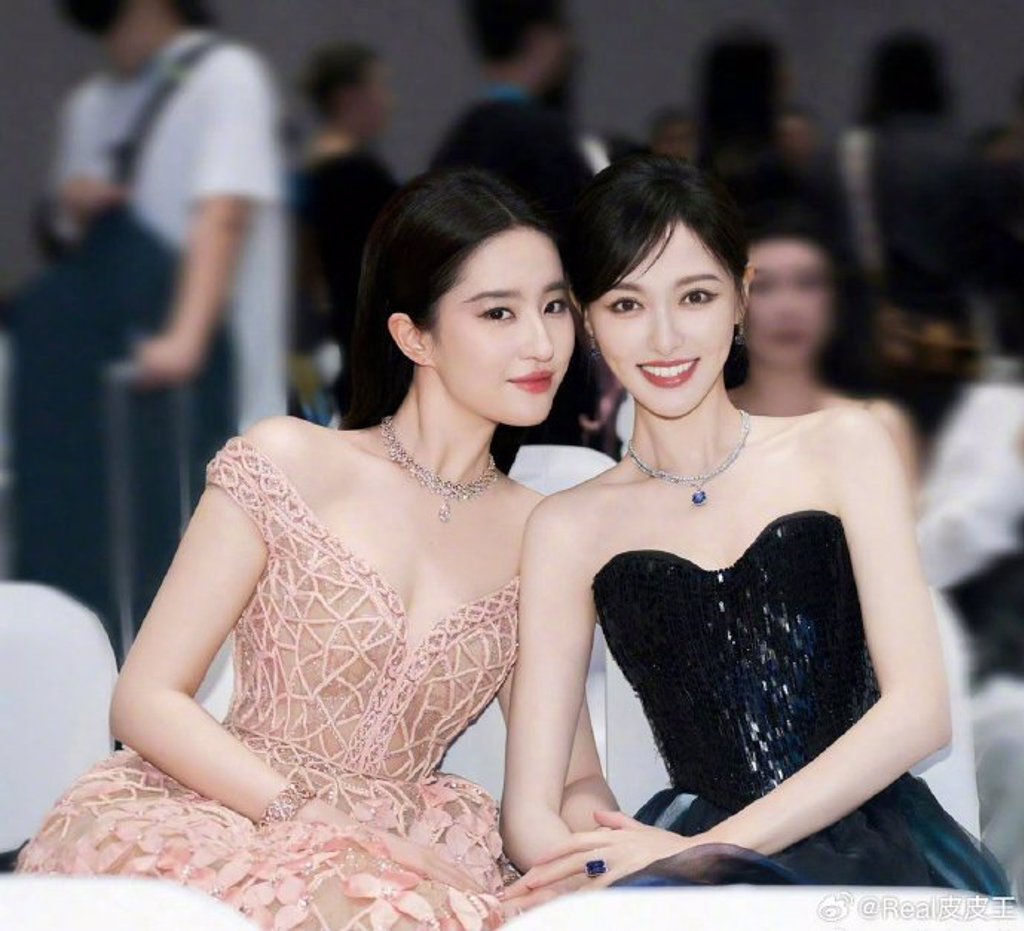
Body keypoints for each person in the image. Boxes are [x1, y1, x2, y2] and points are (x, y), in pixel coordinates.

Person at [16, 168, 610, 930]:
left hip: (413, 844)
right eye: (499, 312)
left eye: (554, 305)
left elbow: (571, 776)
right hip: (227, 808)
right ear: (414, 335)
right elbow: (145, 699)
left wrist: (611, 856)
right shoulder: (291, 461)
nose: (541, 342)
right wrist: (315, 817)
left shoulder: (544, 532)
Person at [499, 156, 1010, 905]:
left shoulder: (844, 444)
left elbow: (918, 713)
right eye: (627, 304)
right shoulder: (566, 526)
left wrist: (710, 852)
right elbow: (532, 808)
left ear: (741, 297)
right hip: (683, 870)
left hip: (868, 847)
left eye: (695, 296)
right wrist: (610, 866)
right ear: (586, 317)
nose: (665, 337)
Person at [14, 0, 287, 658]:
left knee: (200, 601)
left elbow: (223, 213)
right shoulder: (90, 105)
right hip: (113, 411)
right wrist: (72, 205)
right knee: (122, 590)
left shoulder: (223, 75)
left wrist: (186, 340)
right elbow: (71, 247)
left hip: (208, 397)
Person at [432, 0, 596, 449]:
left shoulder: (459, 140)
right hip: (542, 365)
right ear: (539, 39)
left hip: (467, 359)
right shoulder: (544, 137)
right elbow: (582, 250)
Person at [728, 215, 919, 484]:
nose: (788, 308)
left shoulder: (878, 423)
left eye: (808, 283)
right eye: (763, 286)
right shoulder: (701, 421)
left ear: (837, 300)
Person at [296, 42, 399, 419]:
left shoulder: (315, 172)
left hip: (345, 333)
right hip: (365, 339)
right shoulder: (354, 178)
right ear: (348, 97)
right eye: (380, 87)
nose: (389, 101)